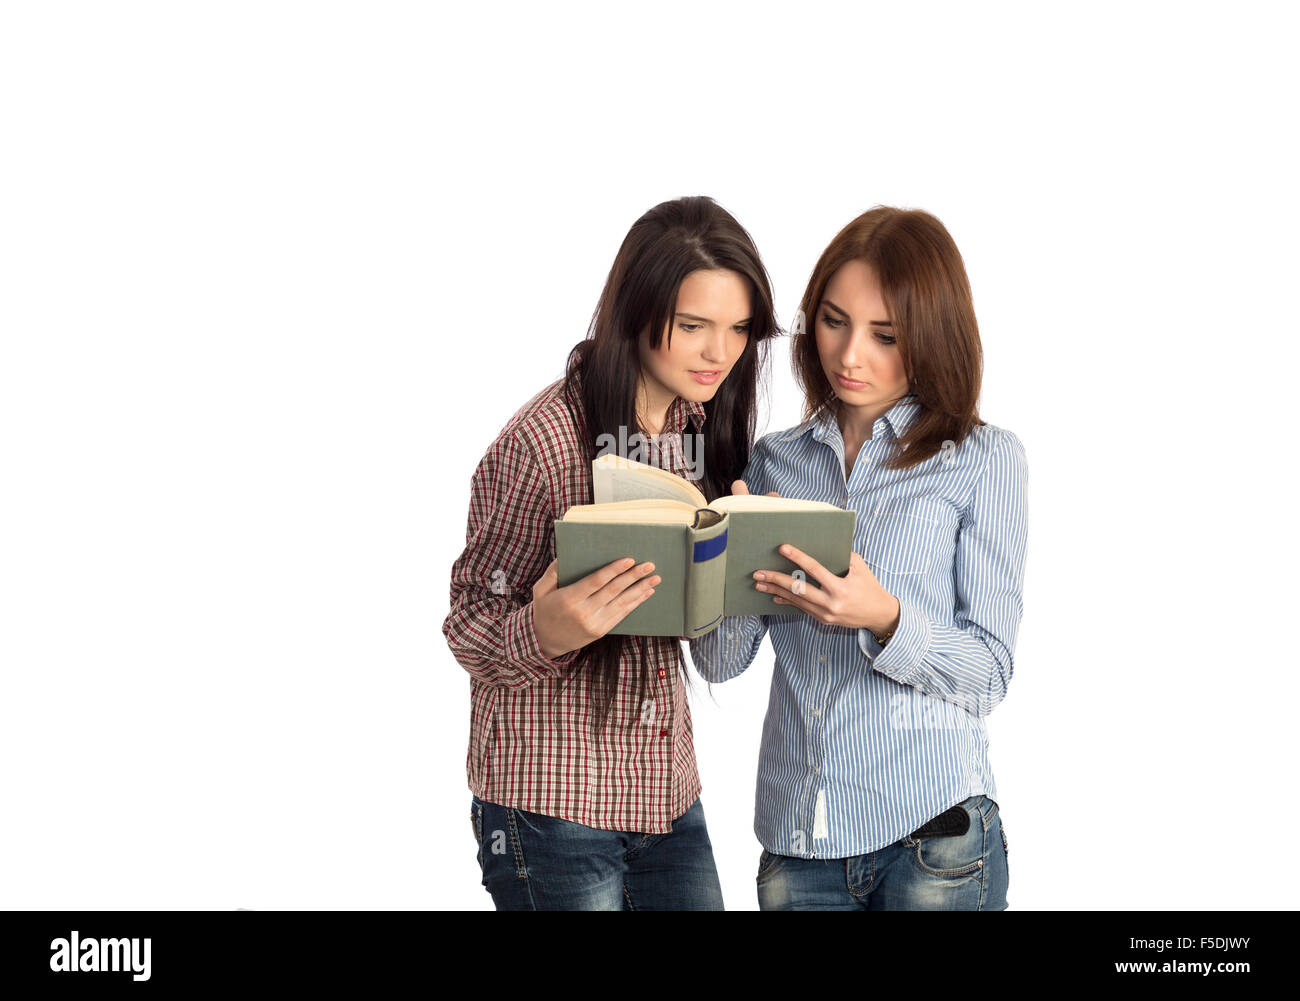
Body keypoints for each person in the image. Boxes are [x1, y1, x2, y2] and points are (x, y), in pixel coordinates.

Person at [443, 195, 778, 909]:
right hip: (551, 802)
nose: (720, 353)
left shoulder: (700, 435)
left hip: (665, 795)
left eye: (739, 329)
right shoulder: (540, 442)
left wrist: (745, 565)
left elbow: (704, 638)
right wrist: (547, 630)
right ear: (636, 310)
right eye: (693, 326)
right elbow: (467, 620)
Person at [690, 206, 1027, 910]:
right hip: (798, 843)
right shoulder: (773, 461)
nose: (850, 355)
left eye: (886, 336)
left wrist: (886, 617)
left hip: (932, 839)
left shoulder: (983, 459)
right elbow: (724, 662)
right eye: (834, 321)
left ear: (931, 337)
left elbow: (988, 675)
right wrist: (716, 565)